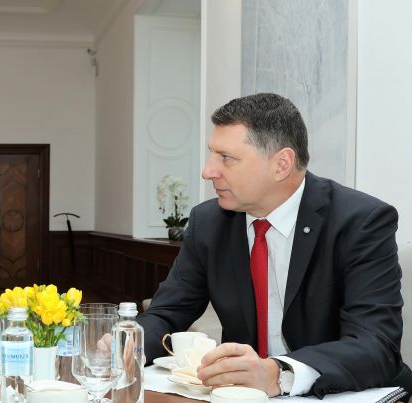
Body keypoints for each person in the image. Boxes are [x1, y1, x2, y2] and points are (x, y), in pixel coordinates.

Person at [137, 93, 412, 398]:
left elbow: (376, 345)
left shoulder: (361, 222)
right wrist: (128, 344)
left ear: (281, 164)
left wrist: (279, 373)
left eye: (226, 158)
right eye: (212, 154)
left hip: (344, 393)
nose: (208, 171)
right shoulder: (209, 222)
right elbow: (166, 313)